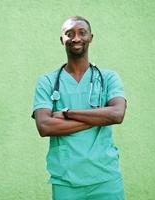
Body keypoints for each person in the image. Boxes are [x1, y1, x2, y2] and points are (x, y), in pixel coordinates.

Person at [32, 16, 127, 200]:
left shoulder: (108, 78)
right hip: (66, 182)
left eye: (82, 33)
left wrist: (67, 114)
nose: (76, 38)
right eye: (70, 34)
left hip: (106, 179)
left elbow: (116, 114)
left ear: (91, 37)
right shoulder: (47, 82)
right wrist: (100, 116)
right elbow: (44, 126)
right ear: (62, 40)